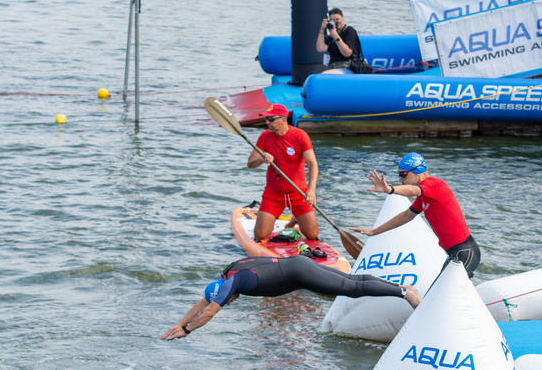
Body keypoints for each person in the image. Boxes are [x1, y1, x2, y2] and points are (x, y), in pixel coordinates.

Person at [160, 255, 421, 339]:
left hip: (299, 273)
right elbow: (203, 302)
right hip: (298, 263)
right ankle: (402, 287)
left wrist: (189, 330)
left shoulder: (232, 282)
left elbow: (209, 311)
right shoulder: (229, 271)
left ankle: (405, 292)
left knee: (352, 289)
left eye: (228, 300)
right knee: (352, 281)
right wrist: (180, 323)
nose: (230, 302)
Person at [351, 152, 481, 278]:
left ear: (416, 171)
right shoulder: (425, 197)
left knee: (436, 296)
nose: (400, 180)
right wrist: (374, 232)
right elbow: (406, 215)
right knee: (436, 295)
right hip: (455, 253)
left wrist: (390, 189)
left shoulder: (434, 184)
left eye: (403, 175)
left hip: (465, 252)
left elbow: (413, 190)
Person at [247, 103, 319, 241]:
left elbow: (312, 165)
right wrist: (262, 159)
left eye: (271, 119)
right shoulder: (264, 136)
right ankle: (292, 217)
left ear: (283, 119)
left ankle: (294, 219)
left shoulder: (300, 136)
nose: (267, 122)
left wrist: (311, 190)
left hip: (298, 193)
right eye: (266, 119)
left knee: (312, 235)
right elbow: (250, 164)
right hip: (273, 194)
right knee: (260, 235)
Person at [315, 8, 361, 74]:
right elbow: (320, 49)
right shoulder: (332, 34)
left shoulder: (349, 31)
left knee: (325, 74)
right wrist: (322, 30)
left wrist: (336, 37)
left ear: (342, 17)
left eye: (337, 19)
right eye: (333, 20)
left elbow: (347, 53)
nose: (336, 22)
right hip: (334, 67)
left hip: (348, 66)